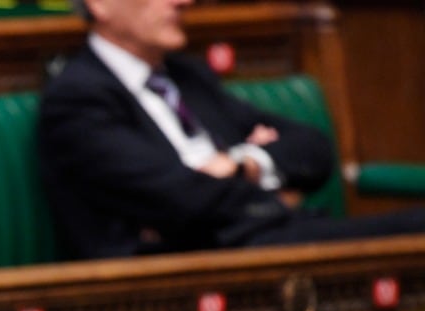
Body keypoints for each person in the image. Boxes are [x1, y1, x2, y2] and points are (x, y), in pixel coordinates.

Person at [38, 0, 425, 260]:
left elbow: (313, 148)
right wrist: (270, 192)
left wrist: (244, 164)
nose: (184, 1)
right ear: (99, 4)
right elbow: (181, 199)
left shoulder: (186, 76)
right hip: (189, 271)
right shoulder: (77, 99)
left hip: (262, 242)